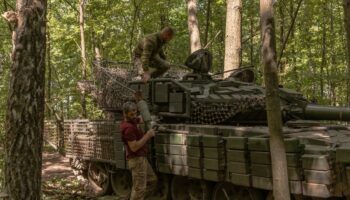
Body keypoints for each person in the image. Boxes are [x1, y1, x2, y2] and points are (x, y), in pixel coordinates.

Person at [120, 101, 157, 200]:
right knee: (139, 189)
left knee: (152, 181)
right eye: (131, 113)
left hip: (141, 159)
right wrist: (148, 135)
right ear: (125, 113)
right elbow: (134, 147)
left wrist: (152, 118)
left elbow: (140, 119)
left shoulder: (132, 121)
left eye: (135, 112)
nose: (134, 115)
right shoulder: (128, 128)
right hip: (136, 160)